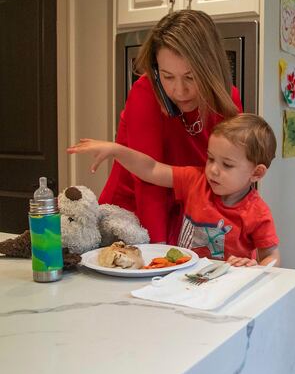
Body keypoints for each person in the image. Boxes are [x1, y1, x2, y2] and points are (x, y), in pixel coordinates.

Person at [100, 10, 243, 246]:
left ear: (211, 70)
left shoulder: (227, 100)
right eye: (167, 76)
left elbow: (231, 178)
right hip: (131, 217)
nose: (179, 91)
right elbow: (148, 186)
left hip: (191, 215)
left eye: (190, 77)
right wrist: (157, 255)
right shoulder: (145, 93)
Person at [69, 114, 280, 267]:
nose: (213, 169)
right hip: (183, 277)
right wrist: (115, 150)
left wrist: (257, 269)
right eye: (211, 158)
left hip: (228, 288)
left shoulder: (257, 212)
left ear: (257, 173)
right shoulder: (196, 180)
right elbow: (150, 169)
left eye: (227, 164)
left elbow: (273, 258)